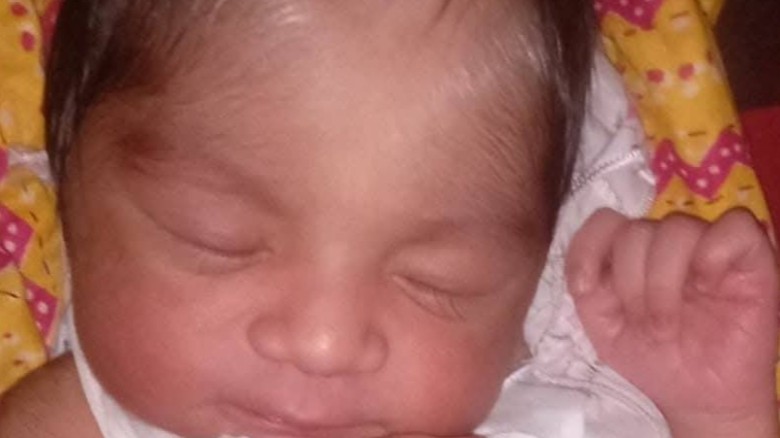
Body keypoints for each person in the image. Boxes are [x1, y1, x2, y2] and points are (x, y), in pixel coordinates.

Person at [0, 1, 777, 437]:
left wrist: (717, 412)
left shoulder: (563, 403)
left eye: (437, 283)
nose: (326, 343)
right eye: (219, 241)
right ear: (69, 199)